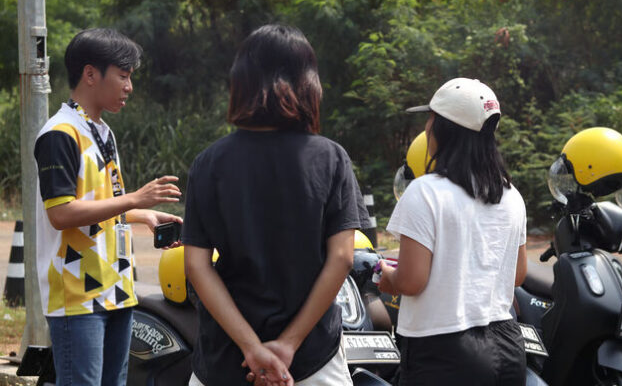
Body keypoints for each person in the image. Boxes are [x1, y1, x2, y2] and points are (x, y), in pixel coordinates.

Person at [182, 24, 370, 386]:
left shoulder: (209, 163)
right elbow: (342, 258)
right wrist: (288, 344)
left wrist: (251, 348)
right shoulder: (331, 158)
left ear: (241, 82)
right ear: (309, 82)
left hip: (226, 360)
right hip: (313, 359)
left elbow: (196, 265)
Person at [34, 28, 183, 386]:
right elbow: (60, 214)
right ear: (90, 74)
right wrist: (135, 198)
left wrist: (141, 214)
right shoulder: (59, 134)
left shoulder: (101, 131)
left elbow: (98, 204)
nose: (129, 87)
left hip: (117, 289)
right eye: (123, 76)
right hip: (77, 297)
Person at [378, 78, 528, 385]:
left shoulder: (425, 192)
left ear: (443, 129)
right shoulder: (511, 195)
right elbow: (517, 274)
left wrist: (385, 275)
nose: (427, 127)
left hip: (445, 352)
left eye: (431, 118)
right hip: (509, 347)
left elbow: (410, 281)